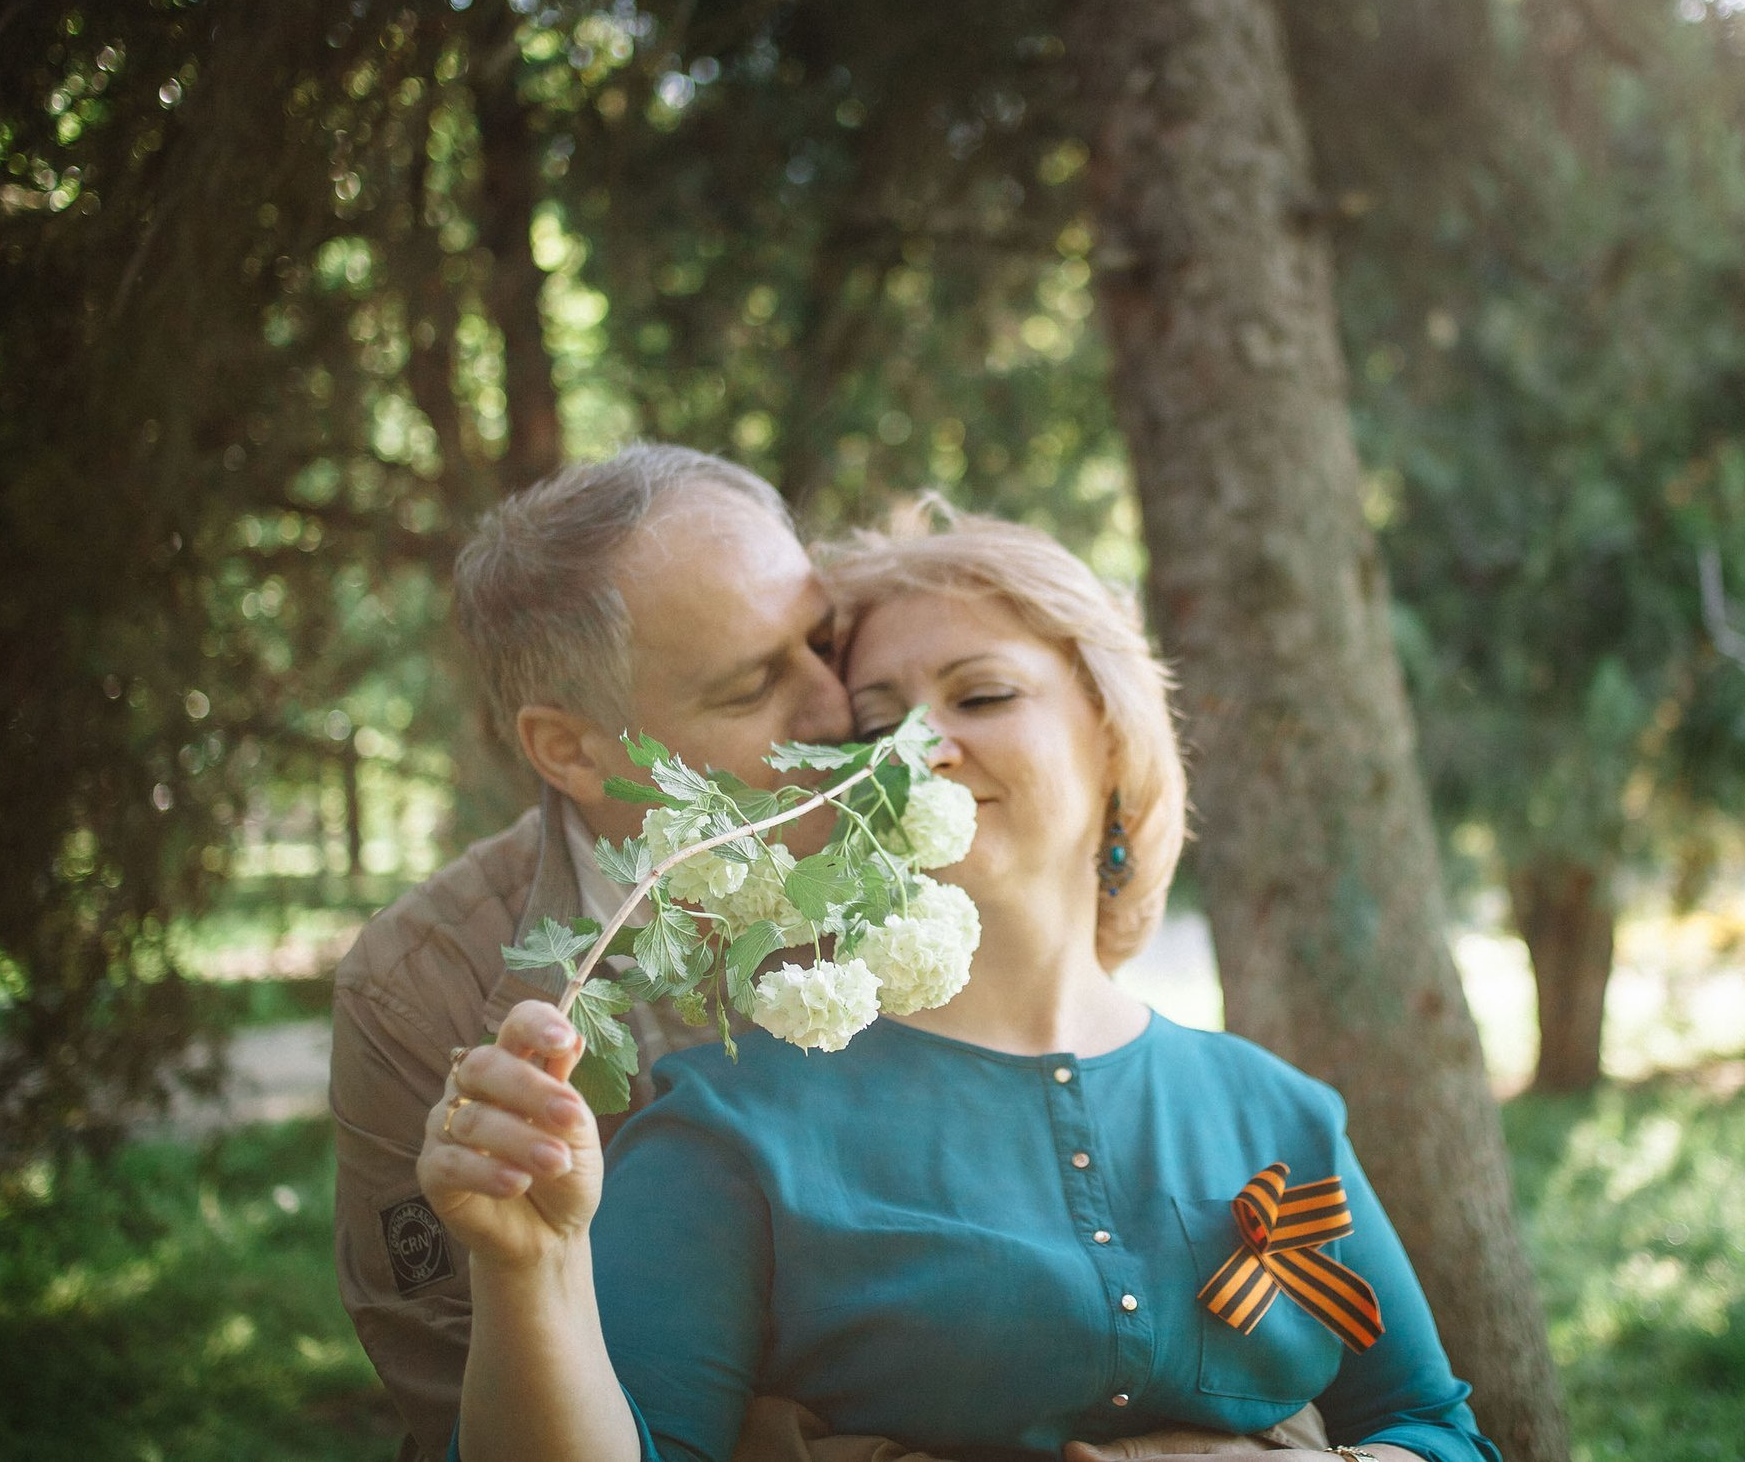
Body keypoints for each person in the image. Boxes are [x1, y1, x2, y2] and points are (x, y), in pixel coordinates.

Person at [418, 507, 1501, 1462]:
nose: (915, 751)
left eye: (980, 694)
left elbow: (1437, 1427)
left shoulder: (1275, 1111)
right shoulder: (730, 1128)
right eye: (878, 723)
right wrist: (532, 1275)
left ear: (1113, 734)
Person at [332, 444, 853, 1461]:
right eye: (751, 688)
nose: (838, 708)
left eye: (826, 639)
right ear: (568, 748)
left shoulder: (932, 869)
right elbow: (462, 1398)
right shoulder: (416, 992)